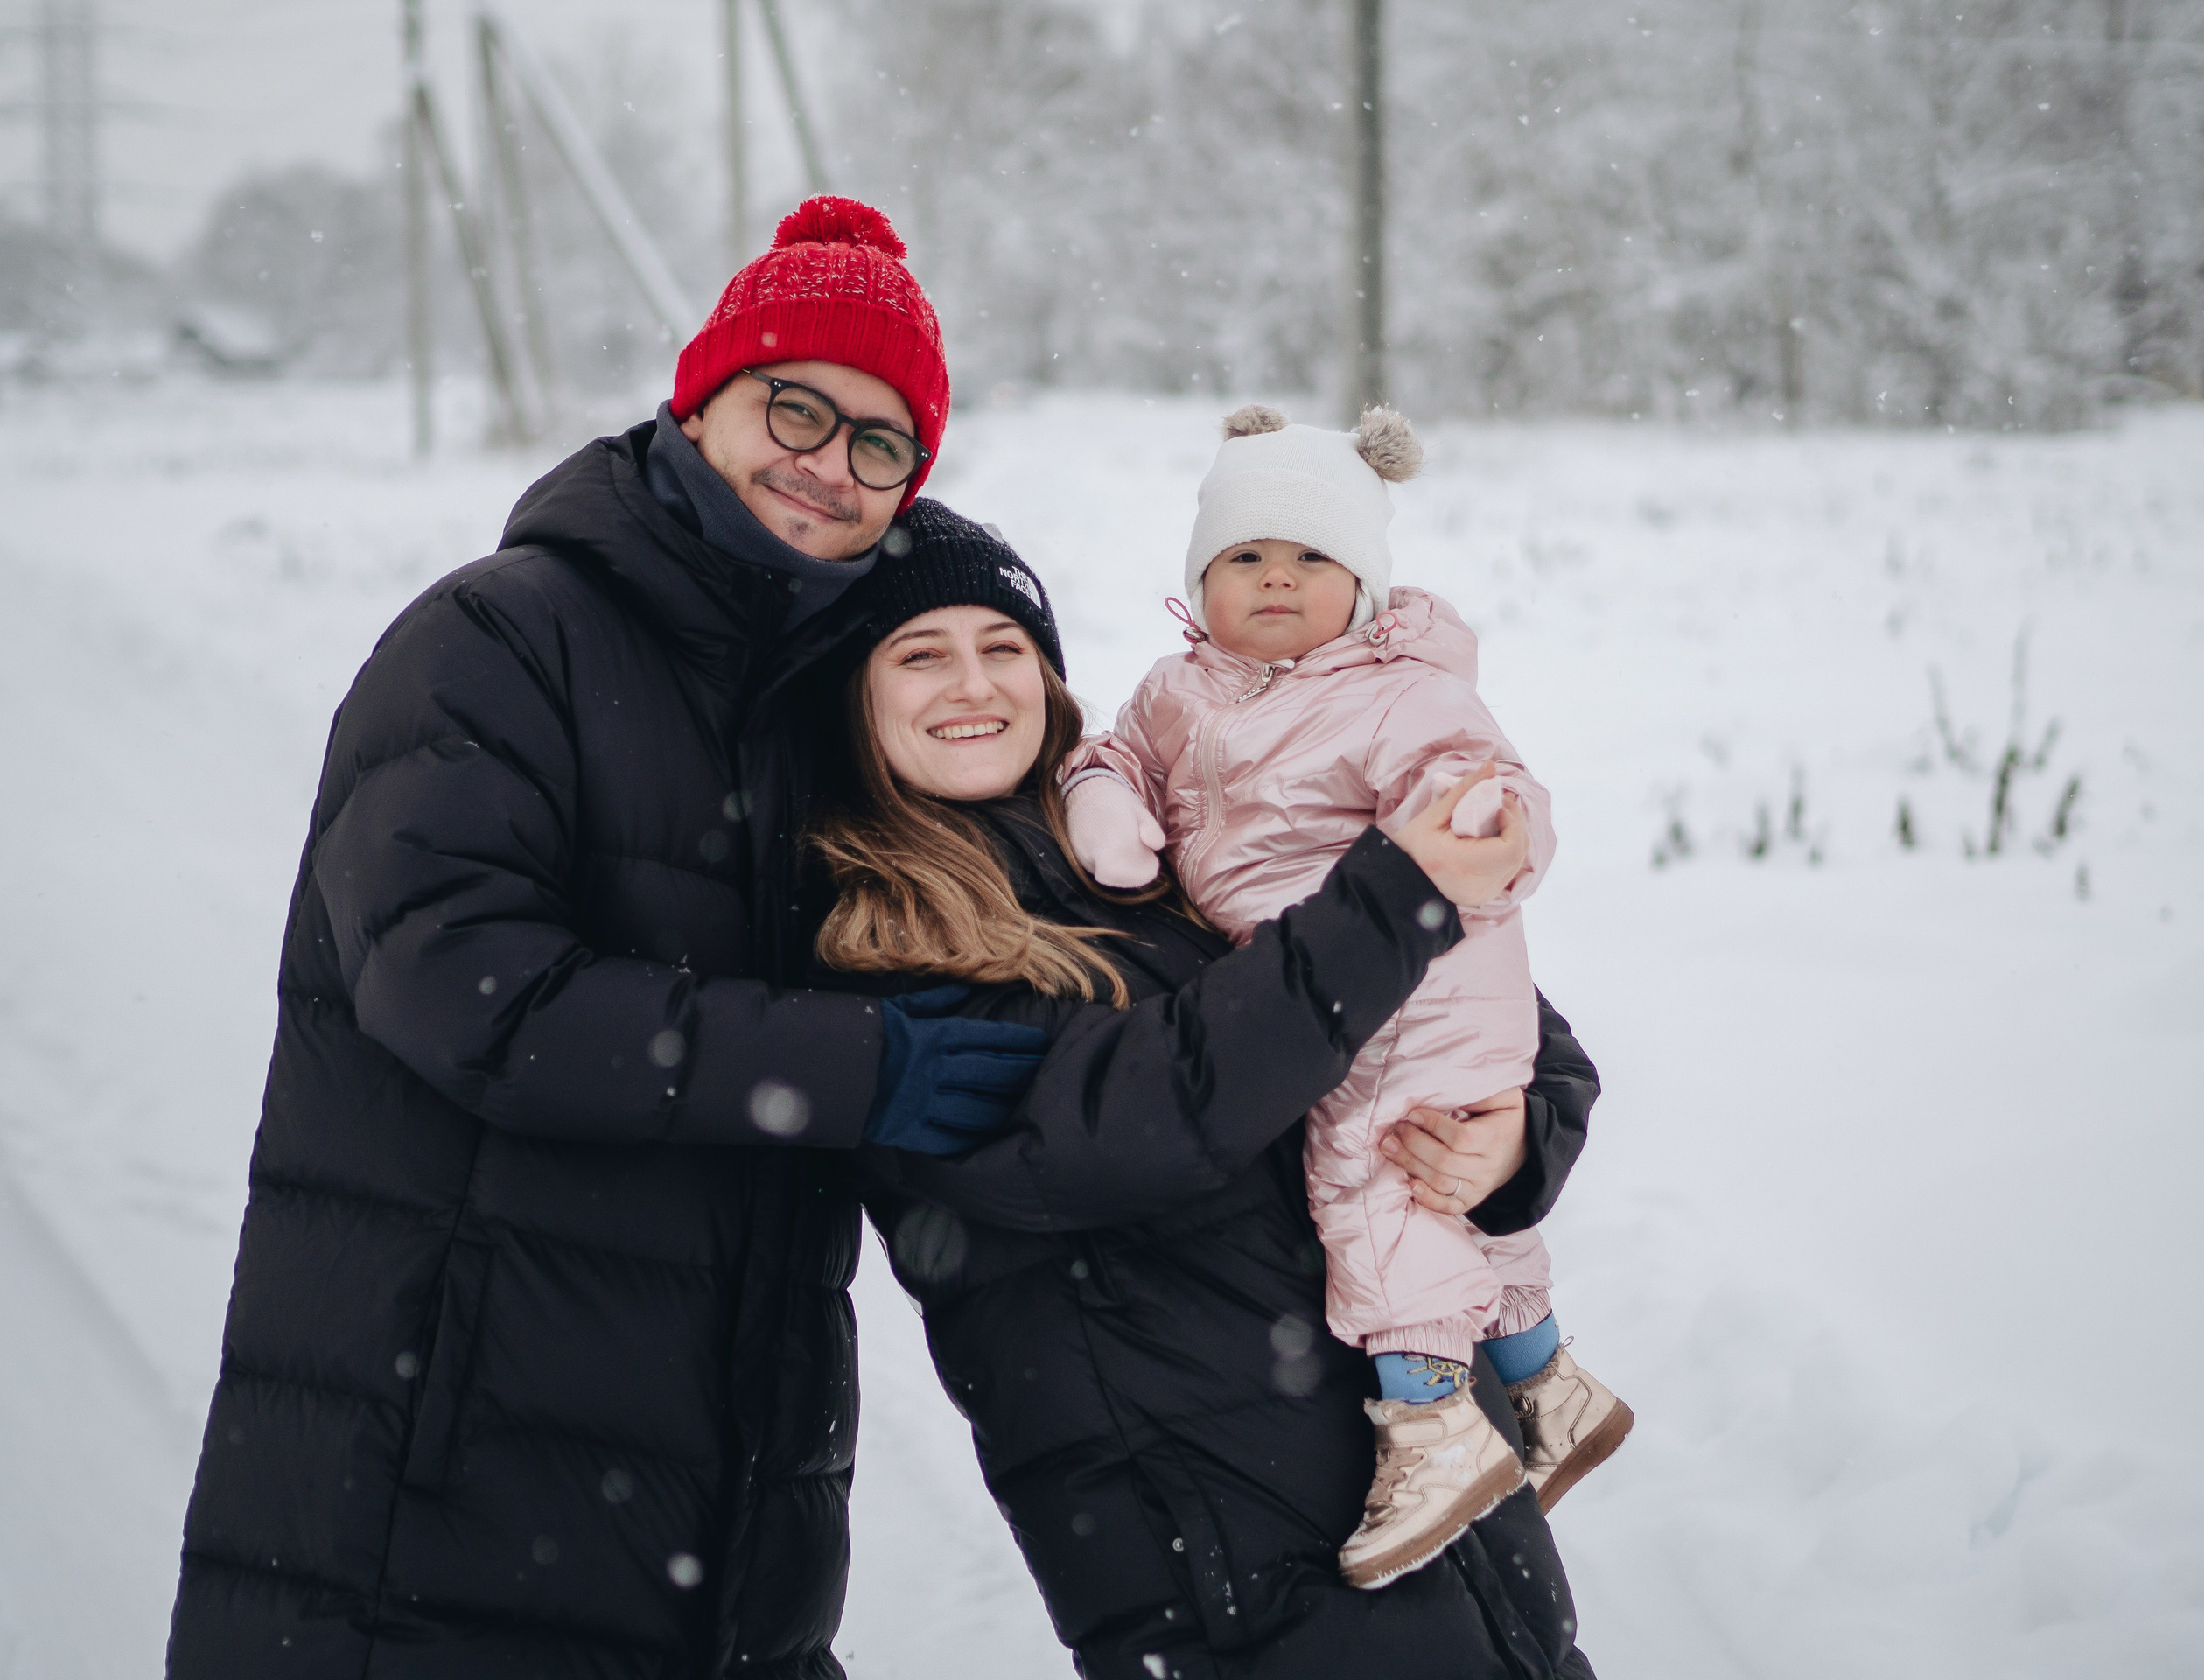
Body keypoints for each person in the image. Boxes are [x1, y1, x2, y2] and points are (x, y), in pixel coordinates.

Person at [164, 197, 1057, 1677]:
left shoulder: (846, 712)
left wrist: (1486, 1096)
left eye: (880, 445)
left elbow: (1105, 955)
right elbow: (461, 987)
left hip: (730, 1552)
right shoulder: (500, 640)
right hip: (428, 1524)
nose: (828, 467)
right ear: (702, 399)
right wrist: (851, 1065)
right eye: (796, 408)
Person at [811, 509, 1604, 1677]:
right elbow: (1136, 1122)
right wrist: (1388, 897)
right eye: (919, 654)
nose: (972, 684)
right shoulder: (871, 946)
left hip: (1446, 1495)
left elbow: (1502, 1020)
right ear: (854, 703)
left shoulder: (1148, 845)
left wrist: (1513, 1140)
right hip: (1235, 1570)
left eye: (1005, 646)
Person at [1060, 403, 1633, 1587]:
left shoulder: (1394, 690)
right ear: (1198, 582)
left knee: (1375, 1184)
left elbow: (1476, 777)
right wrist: (1106, 804)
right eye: (1246, 558)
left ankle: (1432, 1428)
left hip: (1414, 980)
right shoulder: (1178, 693)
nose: (1278, 580)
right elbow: (1116, 752)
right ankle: (1546, 1382)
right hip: (1328, 976)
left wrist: (1486, 825)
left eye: (1312, 557)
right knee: (1449, 1188)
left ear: (1365, 583)